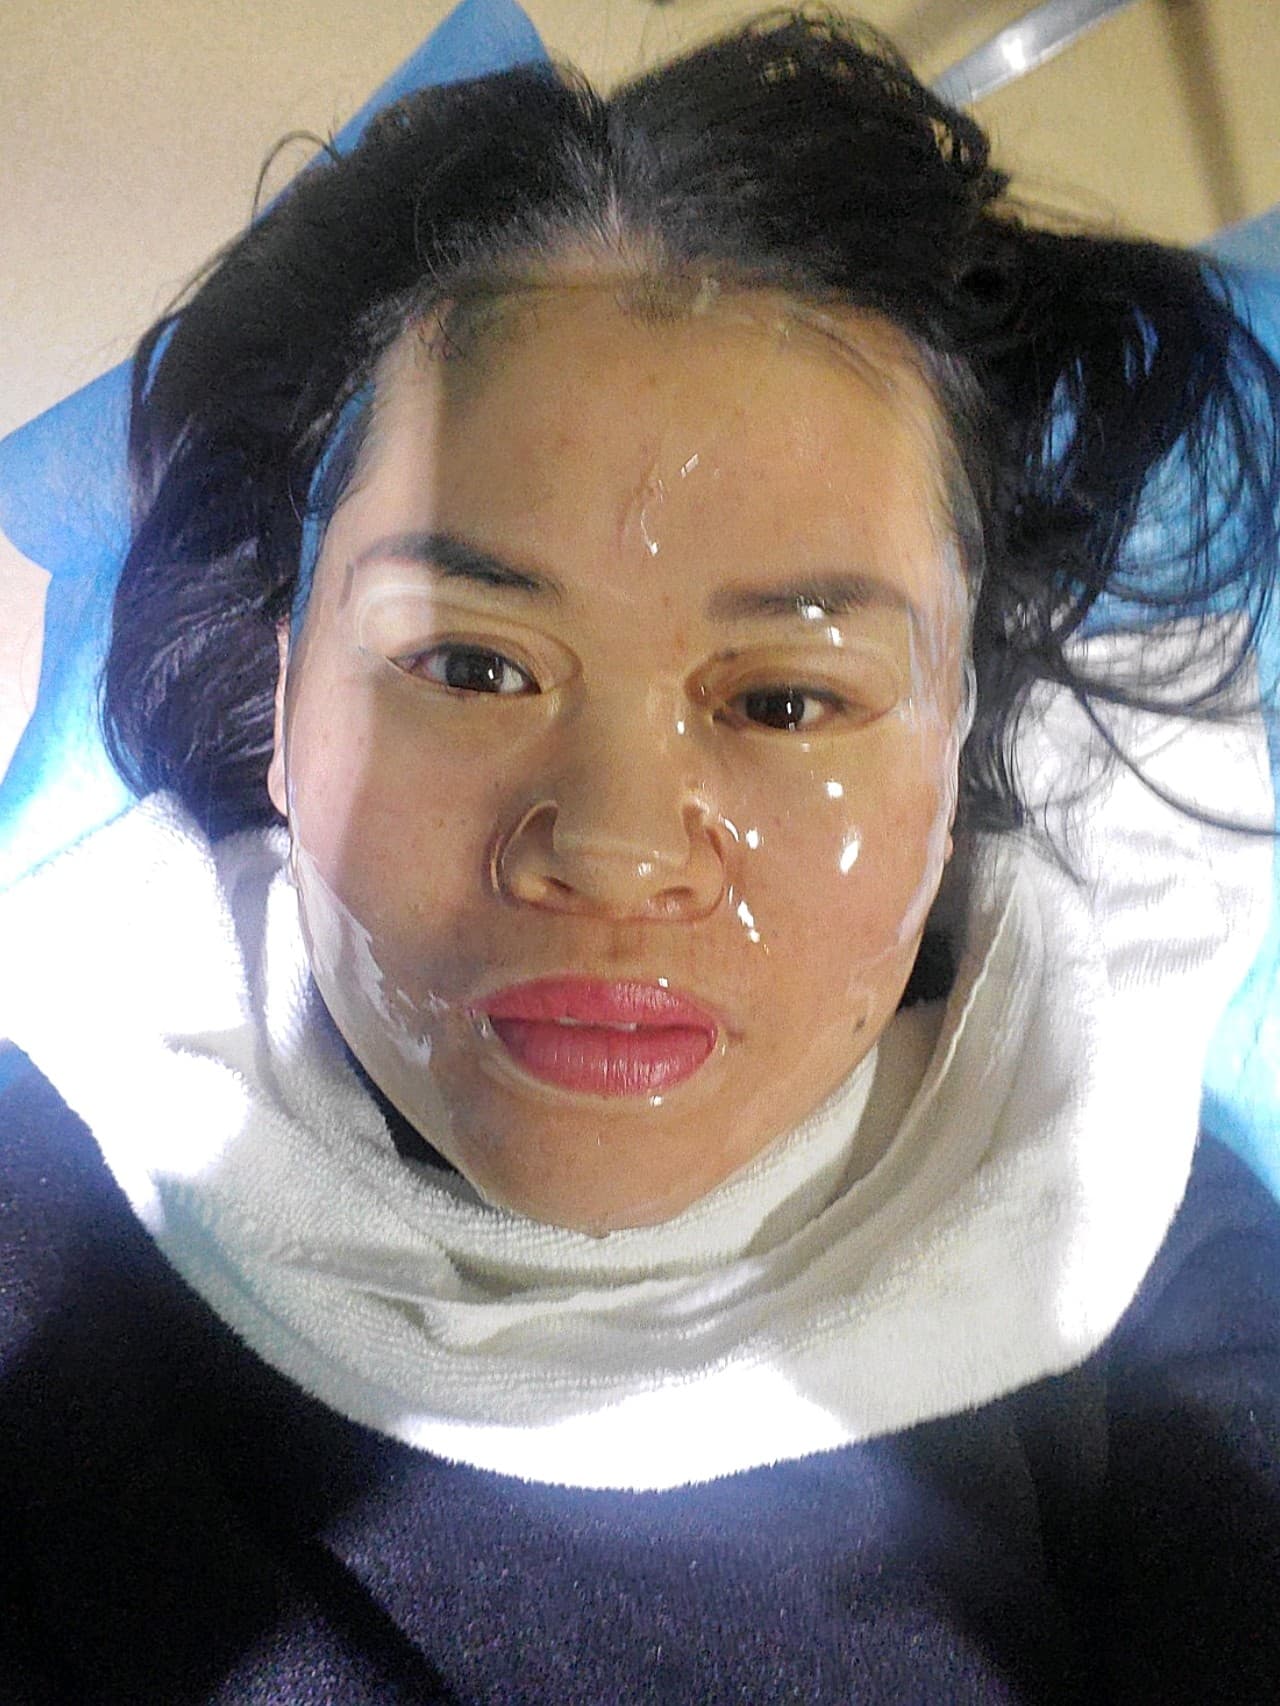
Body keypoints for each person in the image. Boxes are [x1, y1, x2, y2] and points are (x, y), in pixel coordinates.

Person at [2, 11, 1279, 1701]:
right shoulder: (44, 1209)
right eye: (470, 664)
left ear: (961, 745)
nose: (610, 853)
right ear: (286, 692)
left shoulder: (1138, 1268)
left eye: (788, 697)